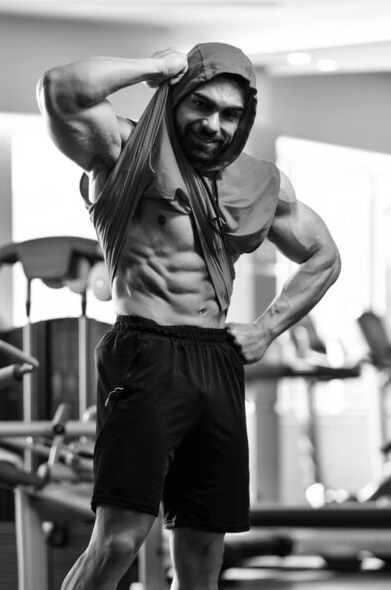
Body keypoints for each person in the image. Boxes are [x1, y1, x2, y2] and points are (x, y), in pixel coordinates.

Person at [37, 43, 341, 590]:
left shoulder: (258, 183)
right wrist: (154, 67)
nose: (214, 124)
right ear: (173, 98)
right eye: (201, 106)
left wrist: (268, 327)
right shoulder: (124, 151)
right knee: (119, 541)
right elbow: (60, 89)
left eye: (230, 114)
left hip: (216, 359)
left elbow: (324, 256)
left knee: (204, 550)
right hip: (145, 349)